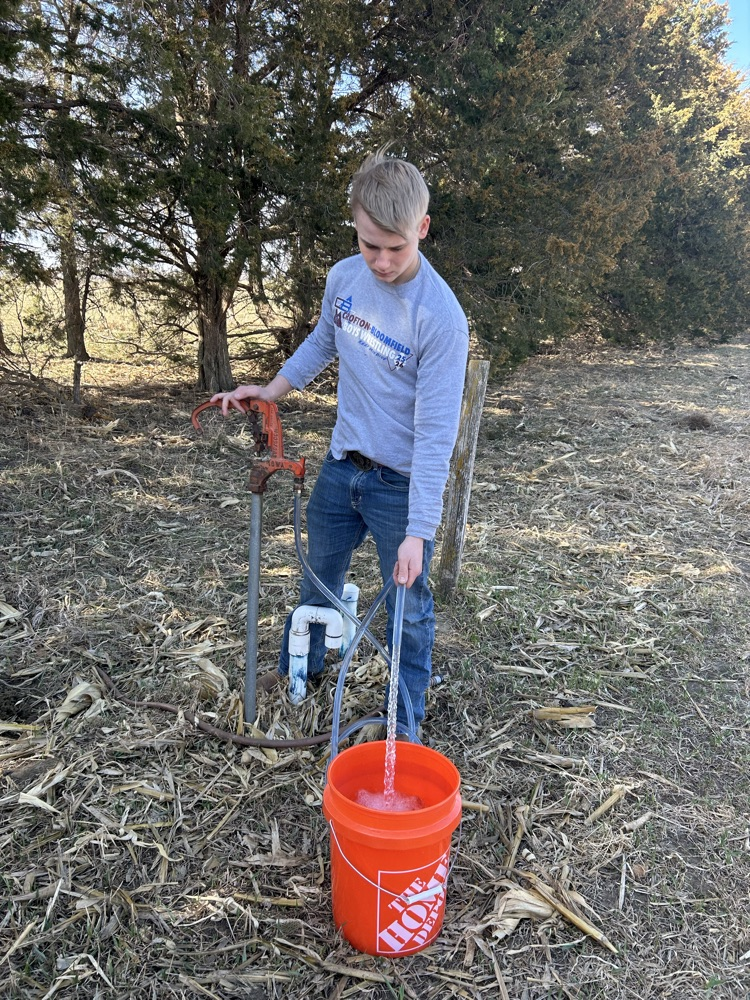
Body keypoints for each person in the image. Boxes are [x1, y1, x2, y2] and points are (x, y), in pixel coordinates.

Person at [211, 148, 469, 736]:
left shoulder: (440, 318)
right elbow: (323, 341)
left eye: (395, 247)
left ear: (423, 228)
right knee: (317, 580)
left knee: (406, 608)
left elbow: (437, 436)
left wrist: (418, 532)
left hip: (400, 485)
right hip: (340, 468)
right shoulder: (344, 278)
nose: (381, 261)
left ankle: (405, 725)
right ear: (354, 224)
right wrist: (271, 390)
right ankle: (300, 675)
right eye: (369, 244)